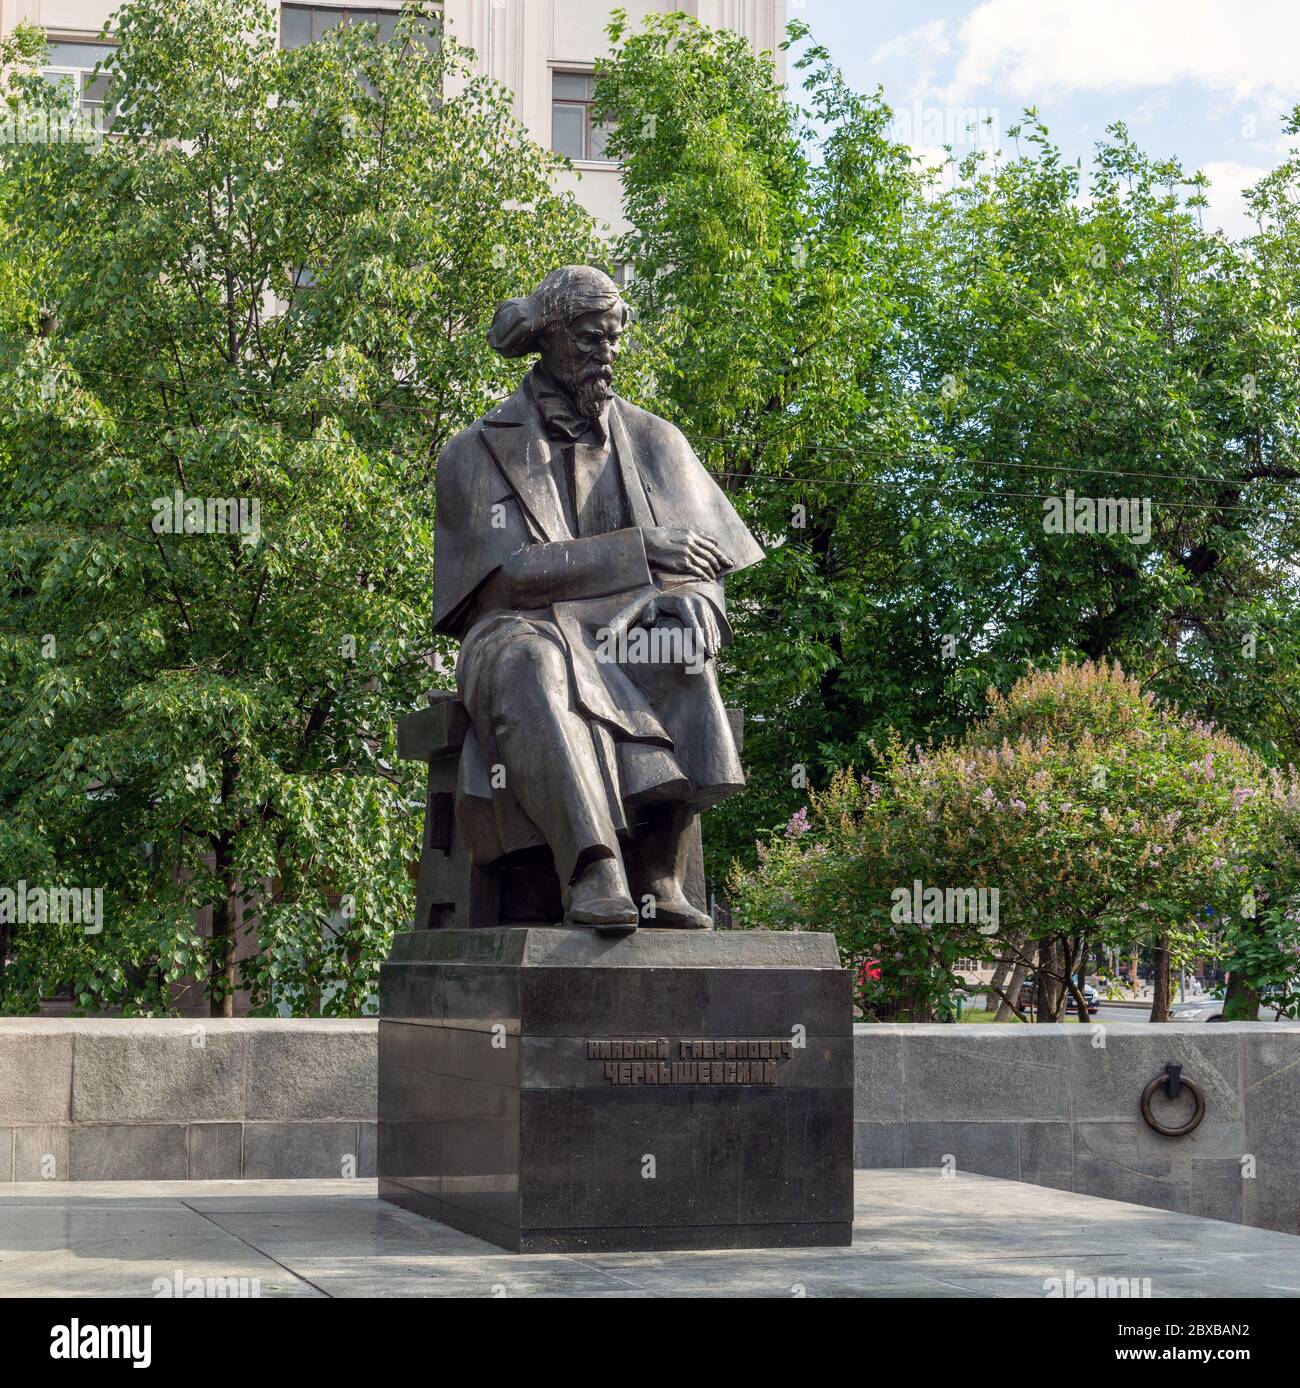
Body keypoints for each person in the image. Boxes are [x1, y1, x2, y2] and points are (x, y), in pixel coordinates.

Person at [433, 266, 765, 931]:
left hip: (621, 627)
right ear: (549, 338)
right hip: (512, 631)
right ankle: (592, 867)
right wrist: (640, 550)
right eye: (589, 338)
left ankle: (658, 872)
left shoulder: (656, 440)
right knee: (535, 666)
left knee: (676, 627)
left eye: (614, 338)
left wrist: (699, 604)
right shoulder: (473, 451)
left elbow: (706, 566)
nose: (606, 353)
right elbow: (512, 577)